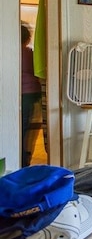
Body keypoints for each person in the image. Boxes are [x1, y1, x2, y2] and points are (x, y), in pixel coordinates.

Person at [21, 24, 41, 167]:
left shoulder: (8, 52)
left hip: (17, 93)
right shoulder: (30, 54)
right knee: (26, 127)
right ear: (28, 39)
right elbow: (37, 71)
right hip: (30, 93)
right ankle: (24, 156)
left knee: (21, 127)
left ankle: (21, 155)